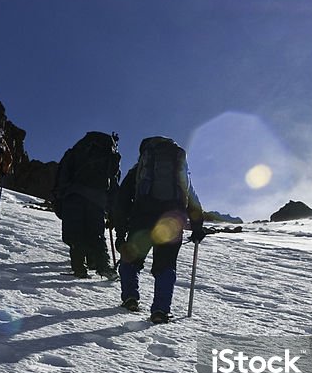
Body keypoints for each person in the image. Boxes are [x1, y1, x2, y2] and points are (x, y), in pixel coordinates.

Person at [114, 136, 204, 324]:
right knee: (166, 265)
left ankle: (130, 297)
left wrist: (120, 231)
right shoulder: (180, 169)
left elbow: (122, 199)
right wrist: (197, 227)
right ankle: (160, 310)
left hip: (143, 218)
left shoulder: (139, 170)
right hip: (172, 222)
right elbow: (192, 198)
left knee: (130, 259)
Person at [52, 131, 120, 279]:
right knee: (97, 234)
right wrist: (111, 208)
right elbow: (113, 183)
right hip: (97, 199)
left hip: (74, 194)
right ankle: (104, 266)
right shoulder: (109, 155)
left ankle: (79, 268)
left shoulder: (77, 151)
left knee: (75, 232)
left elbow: (62, 173)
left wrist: (60, 195)